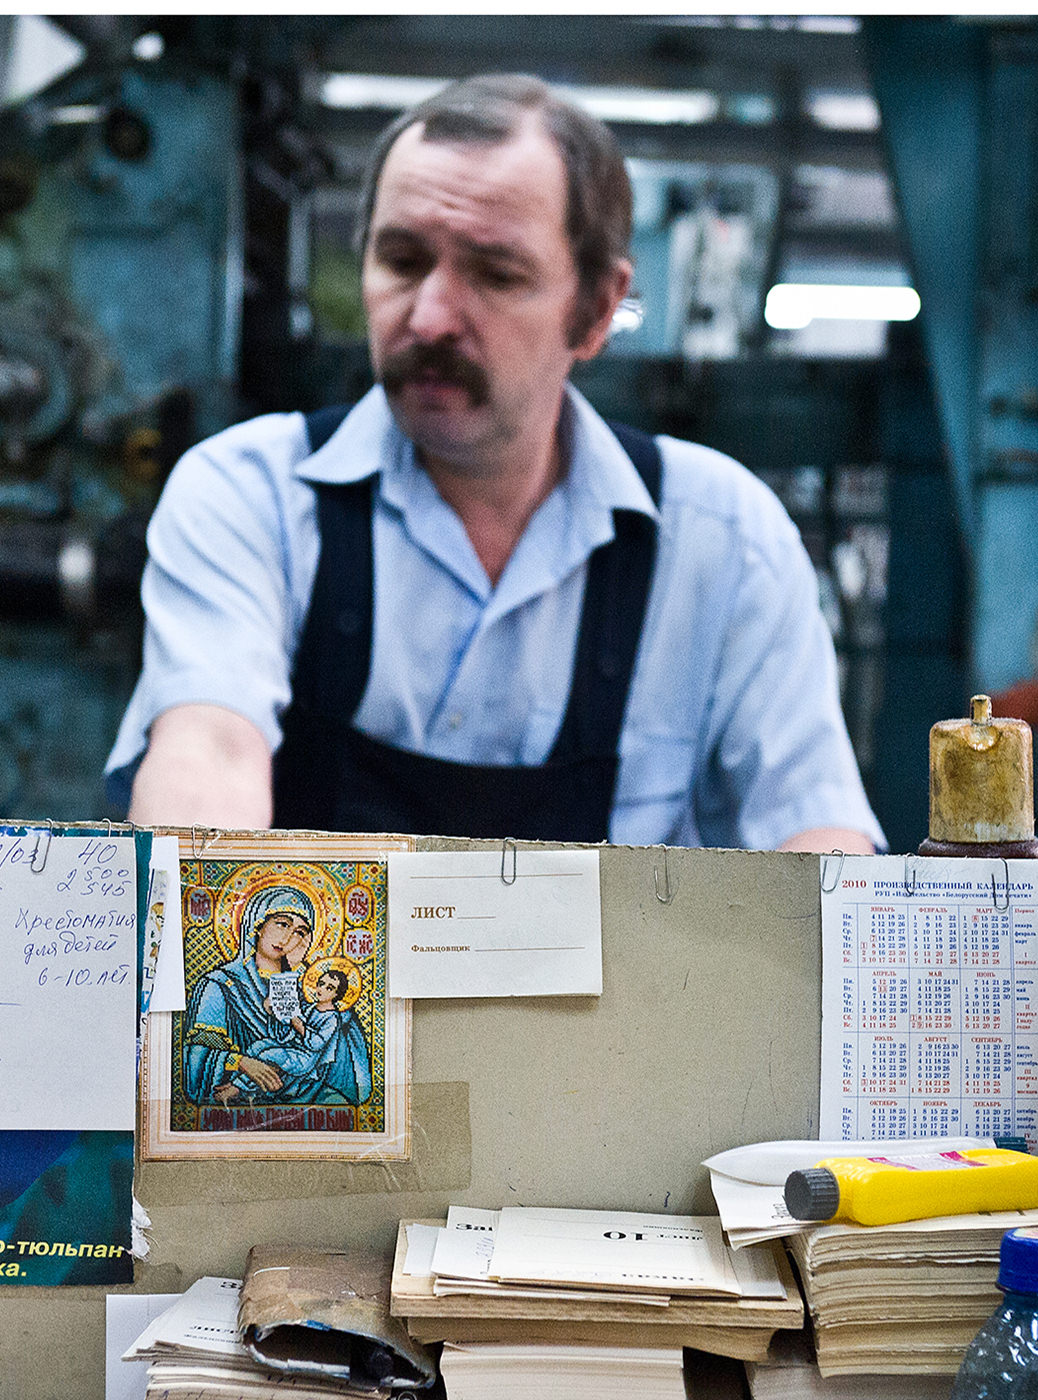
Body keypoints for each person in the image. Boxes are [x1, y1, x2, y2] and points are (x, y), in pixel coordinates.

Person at [107, 74, 884, 853]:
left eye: (496, 274)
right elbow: (209, 754)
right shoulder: (253, 498)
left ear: (596, 310)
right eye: (403, 259)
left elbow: (817, 838)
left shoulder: (724, 543)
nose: (432, 316)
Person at [182, 884, 330, 1106]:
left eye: (300, 932)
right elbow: (195, 1059)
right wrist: (241, 1063)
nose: (289, 937)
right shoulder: (220, 985)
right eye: (282, 924)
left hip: (305, 1100)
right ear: (258, 925)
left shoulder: (312, 991)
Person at [247, 963, 372, 1107]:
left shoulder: (332, 1018)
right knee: (258, 1046)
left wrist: (300, 1026)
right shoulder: (309, 1008)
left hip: (307, 1058)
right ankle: (239, 1085)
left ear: (337, 995)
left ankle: (238, 1088)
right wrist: (273, 1011)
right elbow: (284, 1033)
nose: (322, 989)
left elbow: (316, 1044)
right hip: (292, 1047)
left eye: (329, 988)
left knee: (271, 1055)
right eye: (321, 983)